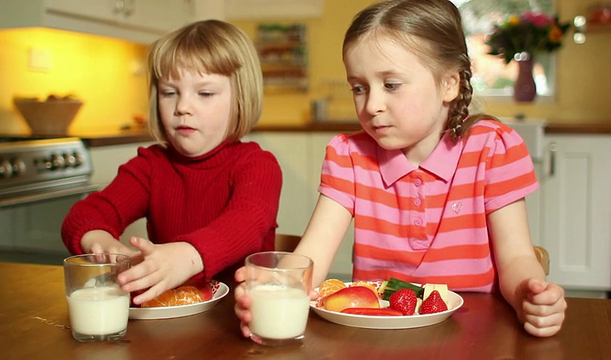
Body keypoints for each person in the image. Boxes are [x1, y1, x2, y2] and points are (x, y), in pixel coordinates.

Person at [235, 0, 566, 337]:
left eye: (391, 85)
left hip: (475, 332)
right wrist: (272, 289)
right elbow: (312, 256)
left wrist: (530, 290)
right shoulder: (348, 156)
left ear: (449, 84)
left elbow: (516, 258)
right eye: (359, 88)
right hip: (378, 334)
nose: (372, 105)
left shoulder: (493, 148)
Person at [62, 19, 283, 306]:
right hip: (169, 324)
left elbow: (246, 224)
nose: (182, 107)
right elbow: (84, 215)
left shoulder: (258, 165)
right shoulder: (151, 165)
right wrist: (100, 243)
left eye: (204, 93)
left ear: (241, 98)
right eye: (170, 92)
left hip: (240, 320)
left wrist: (187, 256)